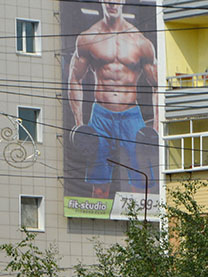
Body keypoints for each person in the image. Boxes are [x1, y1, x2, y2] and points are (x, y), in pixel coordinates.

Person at [67, 1, 159, 198]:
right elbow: (75, 79)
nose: (111, 2)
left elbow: (158, 85)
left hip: (131, 116)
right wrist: (80, 125)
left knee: (141, 181)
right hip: (101, 116)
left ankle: (141, 227)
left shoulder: (140, 41)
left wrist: (157, 126)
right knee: (99, 185)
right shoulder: (89, 37)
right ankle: (95, 225)